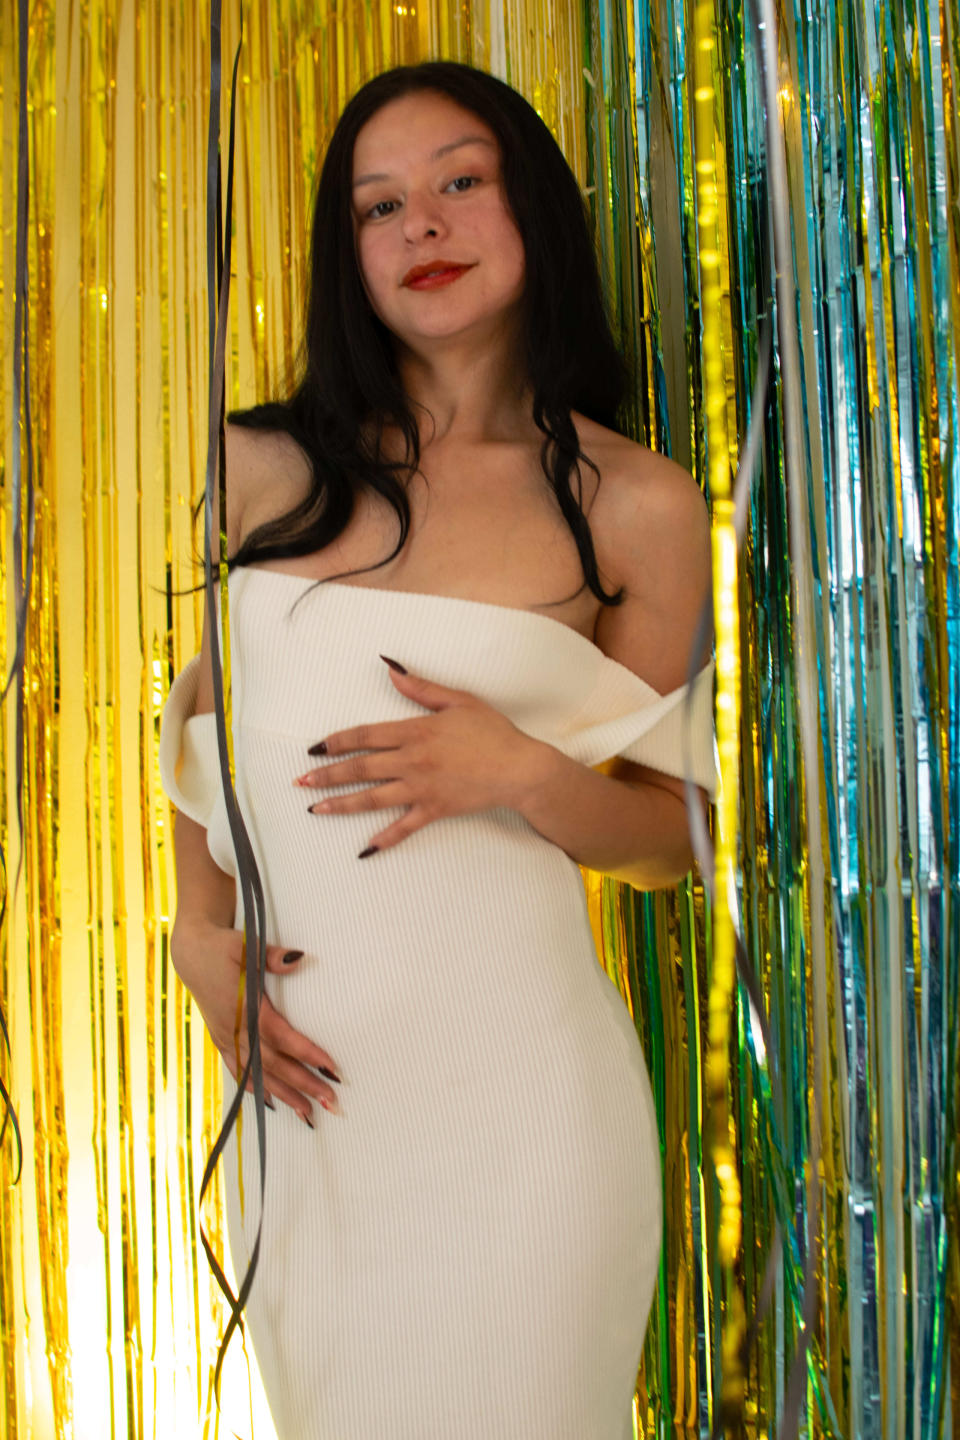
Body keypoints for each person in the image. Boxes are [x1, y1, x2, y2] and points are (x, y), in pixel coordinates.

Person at [160, 59, 715, 1440]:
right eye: (378, 205)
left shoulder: (636, 502)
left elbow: (678, 840)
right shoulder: (257, 465)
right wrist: (195, 930)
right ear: (347, 254)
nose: (422, 223)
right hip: (312, 1115)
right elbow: (203, 719)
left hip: (528, 1116)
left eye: (461, 181)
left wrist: (523, 773)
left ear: (534, 208)